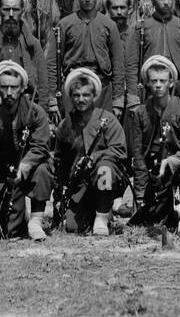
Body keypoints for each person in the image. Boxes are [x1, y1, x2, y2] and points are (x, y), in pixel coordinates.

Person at [127, 55, 180, 239]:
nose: (158, 85)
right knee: (153, 219)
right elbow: (138, 152)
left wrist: (172, 161)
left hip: (179, 167)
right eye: (154, 81)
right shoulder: (140, 113)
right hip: (154, 172)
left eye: (162, 81)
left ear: (171, 83)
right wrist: (139, 192)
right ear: (147, 83)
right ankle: (171, 211)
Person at [0, 61, 54, 241]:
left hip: (33, 168)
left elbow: (41, 146)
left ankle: (35, 221)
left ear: (22, 88)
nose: (10, 93)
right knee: (9, 232)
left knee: (44, 170)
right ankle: (20, 217)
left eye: (14, 87)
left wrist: (25, 166)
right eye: (5, 87)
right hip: (8, 176)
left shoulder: (36, 113)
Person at [52, 68, 128, 236]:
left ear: (95, 96)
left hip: (107, 180)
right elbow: (59, 163)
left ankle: (102, 217)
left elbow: (119, 150)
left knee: (105, 168)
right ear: (71, 97)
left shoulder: (108, 119)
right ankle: (97, 213)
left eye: (86, 95)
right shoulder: (66, 125)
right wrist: (59, 198)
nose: (81, 99)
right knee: (72, 227)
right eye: (77, 95)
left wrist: (96, 157)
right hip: (80, 186)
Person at [46, 0, 126, 119]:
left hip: (103, 88)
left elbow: (118, 65)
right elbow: (52, 64)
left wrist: (117, 100)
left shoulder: (109, 25)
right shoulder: (65, 24)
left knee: (101, 134)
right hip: (73, 86)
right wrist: (52, 100)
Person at [103, 0, 141, 110]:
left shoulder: (137, 33)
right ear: (108, 9)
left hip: (134, 93)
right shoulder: (102, 35)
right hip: (108, 92)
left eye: (122, 7)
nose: (119, 12)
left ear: (129, 9)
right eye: (115, 8)